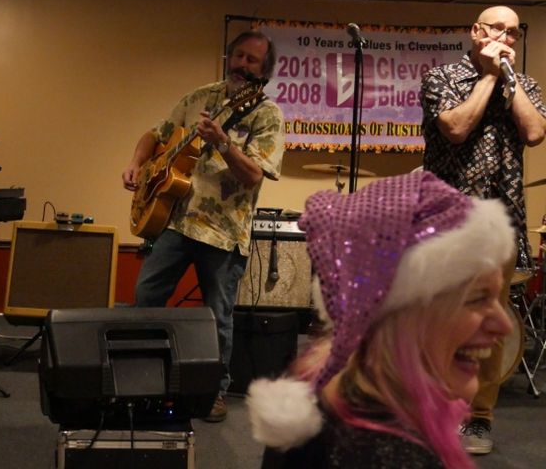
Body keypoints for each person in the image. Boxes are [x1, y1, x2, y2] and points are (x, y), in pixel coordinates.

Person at [248, 171, 514, 469]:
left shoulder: (322, 391)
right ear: (398, 312)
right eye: (477, 298)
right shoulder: (389, 456)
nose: (505, 326)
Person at [121, 30, 285, 422]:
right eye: (238, 56)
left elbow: (254, 176)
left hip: (223, 232)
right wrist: (137, 163)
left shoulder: (267, 115)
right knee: (146, 298)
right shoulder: (200, 96)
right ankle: (143, 378)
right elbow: (156, 134)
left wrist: (224, 143)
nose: (242, 64)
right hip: (175, 222)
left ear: (264, 71)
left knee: (217, 317)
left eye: (251, 60)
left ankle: (214, 392)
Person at [419, 5, 546, 454]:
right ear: (476, 32)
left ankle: (478, 418)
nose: (505, 39)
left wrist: (508, 79)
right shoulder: (441, 78)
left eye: (513, 33)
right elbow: (455, 128)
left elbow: (535, 132)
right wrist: (489, 78)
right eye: (497, 30)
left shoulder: (524, 84)